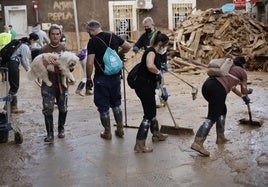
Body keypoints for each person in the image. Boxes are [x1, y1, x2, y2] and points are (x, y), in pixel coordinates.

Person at [191, 56, 253, 157]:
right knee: (213, 116)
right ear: (243, 64)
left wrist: (242, 96)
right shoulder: (242, 71)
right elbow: (244, 90)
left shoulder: (227, 68)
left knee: (222, 110)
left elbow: (233, 88)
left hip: (207, 86)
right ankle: (198, 142)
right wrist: (248, 92)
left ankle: (220, 137)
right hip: (218, 89)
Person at [85, 20, 131, 140]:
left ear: (91, 31)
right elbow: (128, 47)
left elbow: (89, 63)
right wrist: (118, 54)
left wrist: (88, 77)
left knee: (103, 106)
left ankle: (107, 132)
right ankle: (120, 130)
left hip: (101, 78)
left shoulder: (92, 41)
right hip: (116, 76)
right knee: (116, 103)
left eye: (88, 32)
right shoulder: (113, 36)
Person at [133, 31, 169, 153]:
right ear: (160, 43)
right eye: (165, 45)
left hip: (148, 85)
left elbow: (157, 71)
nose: (166, 48)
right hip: (143, 86)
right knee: (148, 114)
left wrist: (164, 88)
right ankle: (139, 144)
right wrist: (158, 71)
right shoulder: (151, 52)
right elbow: (149, 65)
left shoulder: (156, 53)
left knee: (152, 110)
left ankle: (156, 133)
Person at [38, 24, 68, 143]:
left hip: (62, 84)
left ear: (60, 35)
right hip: (48, 85)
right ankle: (50, 134)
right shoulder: (43, 50)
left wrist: (64, 66)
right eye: (53, 34)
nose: (55, 36)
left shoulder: (64, 49)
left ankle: (61, 129)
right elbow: (37, 67)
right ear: (49, 35)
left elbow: (71, 67)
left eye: (57, 34)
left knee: (63, 108)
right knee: (47, 109)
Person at [133, 17, 168, 108]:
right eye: (144, 27)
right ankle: (155, 98)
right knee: (152, 80)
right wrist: (136, 47)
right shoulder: (144, 36)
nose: (146, 28)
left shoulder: (159, 35)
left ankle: (160, 96)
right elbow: (138, 44)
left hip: (158, 60)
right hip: (148, 61)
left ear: (152, 25)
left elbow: (164, 51)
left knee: (158, 79)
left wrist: (164, 63)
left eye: (147, 26)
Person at [3, 37, 31, 113]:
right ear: (32, 40)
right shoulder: (25, 47)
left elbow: (22, 60)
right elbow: (25, 60)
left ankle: (13, 106)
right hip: (13, 64)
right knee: (15, 86)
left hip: (8, 64)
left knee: (13, 86)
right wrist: (29, 71)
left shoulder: (19, 44)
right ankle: (9, 106)